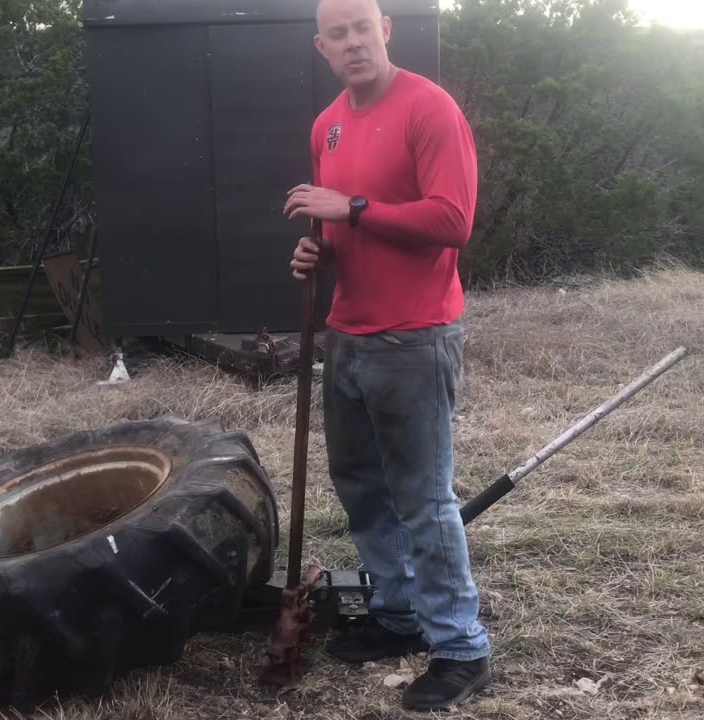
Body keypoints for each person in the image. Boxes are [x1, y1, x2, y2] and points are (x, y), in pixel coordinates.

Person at [282, 0, 490, 710]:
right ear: (321, 46)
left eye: (362, 28)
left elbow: (453, 221)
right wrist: (318, 250)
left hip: (415, 338)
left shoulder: (428, 109)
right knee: (362, 487)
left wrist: (355, 209)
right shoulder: (327, 124)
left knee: (424, 500)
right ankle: (398, 614)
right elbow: (340, 230)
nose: (352, 42)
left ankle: (461, 647)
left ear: (385, 31)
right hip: (349, 333)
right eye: (337, 34)